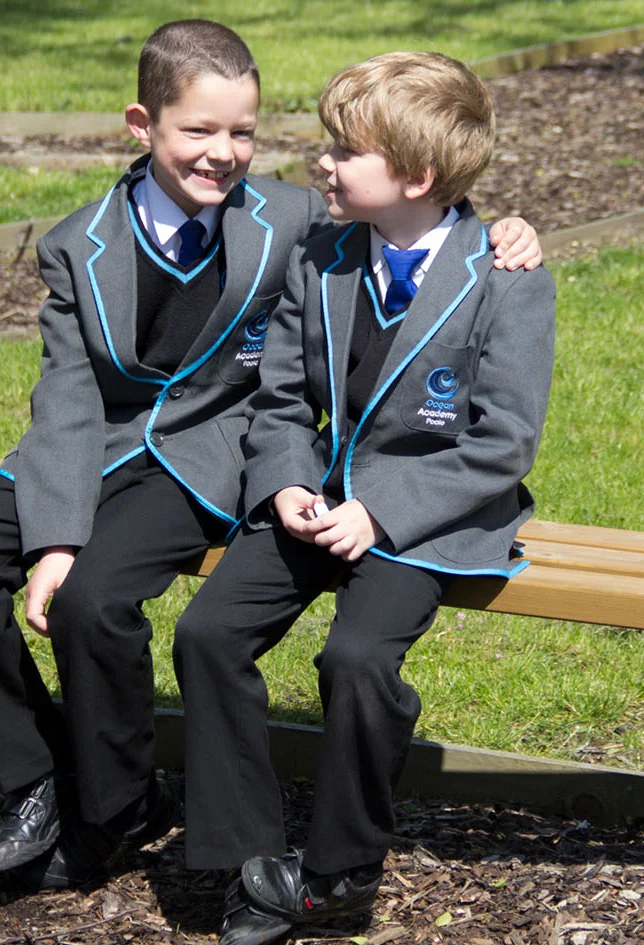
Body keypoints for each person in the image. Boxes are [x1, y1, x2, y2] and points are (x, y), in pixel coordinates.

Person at [0, 22, 544, 891]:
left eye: (242, 132)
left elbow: (428, 222)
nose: (223, 153)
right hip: (95, 446)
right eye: (198, 131)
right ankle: (37, 781)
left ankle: (117, 806)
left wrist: (510, 227)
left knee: (97, 601)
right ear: (142, 125)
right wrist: (53, 532)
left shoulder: (294, 216)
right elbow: (66, 395)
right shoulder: (77, 242)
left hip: (206, 454)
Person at [171, 51, 557, 945]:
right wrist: (288, 483)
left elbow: (502, 443)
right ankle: (251, 860)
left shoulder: (506, 277)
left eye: (345, 152)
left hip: (427, 518)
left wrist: (378, 511)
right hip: (318, 500)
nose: (324, 164)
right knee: (206, 633)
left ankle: (341, 871)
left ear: (416, 175)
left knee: (354, 662)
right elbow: (277, 401)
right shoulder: (324, 254)